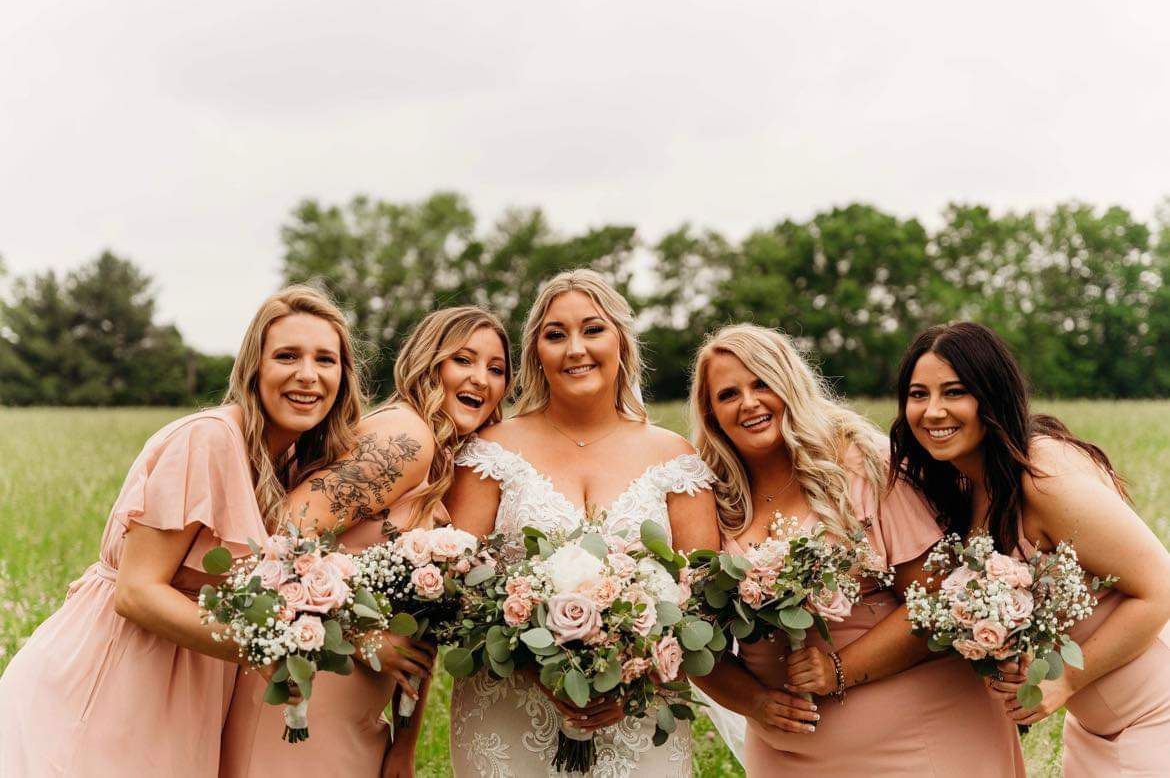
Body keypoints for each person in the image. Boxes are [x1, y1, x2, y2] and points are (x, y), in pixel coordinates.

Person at [0, 286, 364, 777]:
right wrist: (264, 645)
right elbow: (136, 591)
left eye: (325, 359)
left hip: (188, 685)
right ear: (253, 368)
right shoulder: (208, 439)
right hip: (117, 673)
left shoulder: (290, 463)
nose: (307, 374)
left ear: (342, 377)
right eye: (287, 356)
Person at [689, 323, 1024, 776]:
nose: (749, 403)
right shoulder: (706, 498)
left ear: (790, 384)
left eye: (763, 383)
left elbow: (934, 601)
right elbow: (694, 641)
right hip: (786, 754)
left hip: (916, 741)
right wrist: (755, 703)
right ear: (711, 413)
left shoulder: (861, 463)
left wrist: (837, 669)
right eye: (729, 395)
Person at [445, 269, 720, 777]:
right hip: (509, 710)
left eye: (593, 330)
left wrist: (633, 677)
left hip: (638, 719)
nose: (575, 349)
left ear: (621, 341)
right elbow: (457, 586)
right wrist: (539, 668)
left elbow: (702, 602)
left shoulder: (674, 459)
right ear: (536, 352)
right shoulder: (490, 452)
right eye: (556, 335)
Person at [220, 306, 512, 778]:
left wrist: (404, 745)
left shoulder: (445, 465)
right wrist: (360, 639)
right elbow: (279, 542)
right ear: (428, 363)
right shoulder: (405, 437)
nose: (481, 378)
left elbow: (423, 625)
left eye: (496, 369)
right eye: (463, 360)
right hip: (304, 691)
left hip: (361, 711)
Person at [891, 321, 1170, 776]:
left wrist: (1067, 680)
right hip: (1094, 732)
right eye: (918, 394)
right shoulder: (966, 488)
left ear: (992, 394)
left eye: (954, 392)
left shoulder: (1041, 478)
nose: (933, 411)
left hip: (1157, 715)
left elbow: (1161, 587)